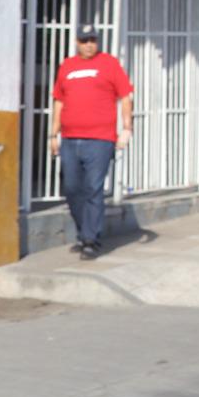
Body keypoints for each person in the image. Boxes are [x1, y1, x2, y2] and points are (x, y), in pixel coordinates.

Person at [49, 27, 133, 260]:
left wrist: (127, 128)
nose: (89, 44)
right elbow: (58, 101)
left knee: (93, 188)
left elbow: (125, 96)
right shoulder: (67, 66)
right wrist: (53, 135)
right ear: (77, 42)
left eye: (92, 40)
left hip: (100, 139)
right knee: (72, 189)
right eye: (84, 40)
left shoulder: (109, 64)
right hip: (70, 138)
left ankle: (90, 239)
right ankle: (83, 232)